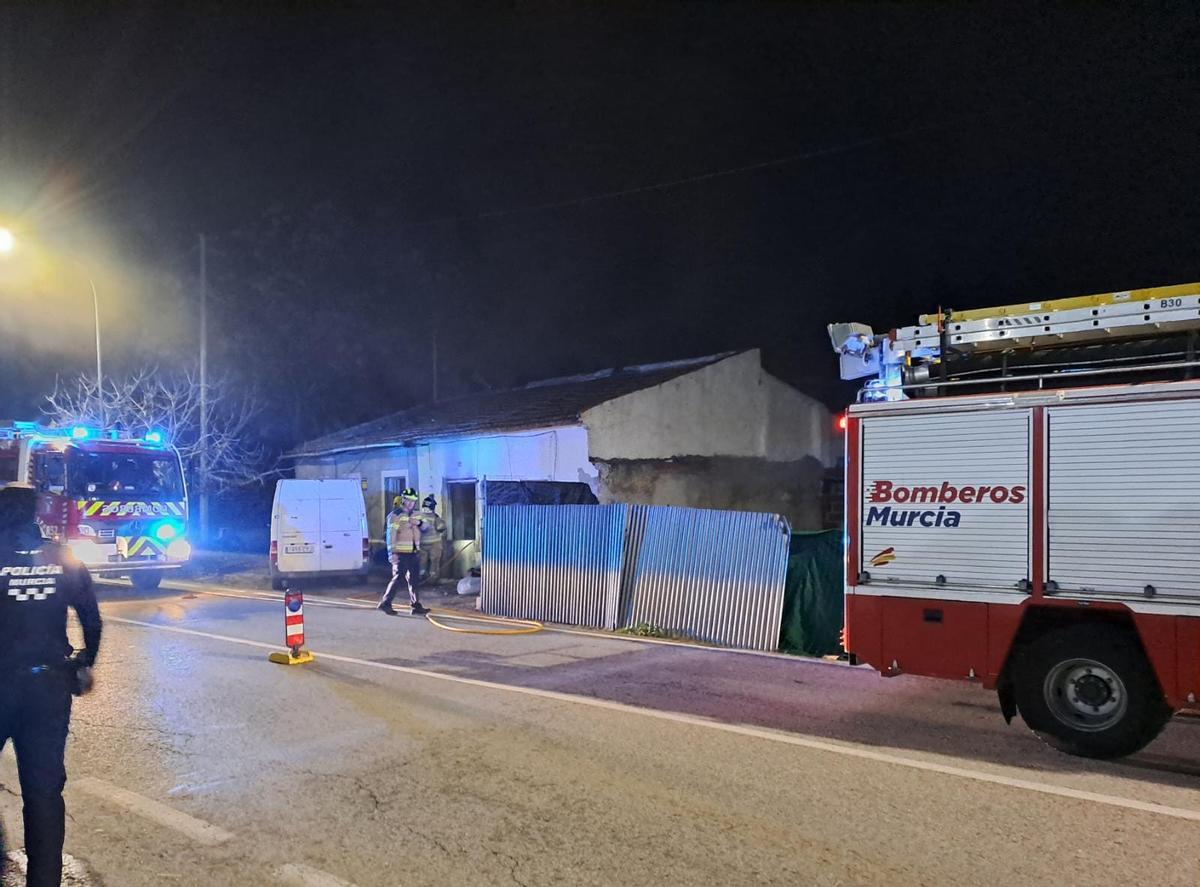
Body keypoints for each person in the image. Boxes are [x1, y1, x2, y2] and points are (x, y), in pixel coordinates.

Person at [0, 485, 101, 887]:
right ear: (34, 515)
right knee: (42, 793)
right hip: (47, 689)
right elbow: (91, 619)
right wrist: (84, 661)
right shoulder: (63, 558)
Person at [378, 489, 428, 616]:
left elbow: (426, 528)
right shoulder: (395, 515)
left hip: (413, 552)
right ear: (403, 500)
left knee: (414, 580)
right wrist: (391, 553)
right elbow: (391, 535)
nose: (411, 503)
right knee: (398, 579)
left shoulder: (417, 514)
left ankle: (416, 605)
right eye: (409, 500)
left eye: (413, 501)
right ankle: (385, 603)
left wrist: (419, 523)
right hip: (400, 553)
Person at [417, 494, 447, 584]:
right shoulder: (435, 517)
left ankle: (422, 577)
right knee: (434, 561)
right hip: (435, 543)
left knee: (422, 561)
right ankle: (433, 579)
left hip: (421, 543)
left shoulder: (418, 516)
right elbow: (441, 527)